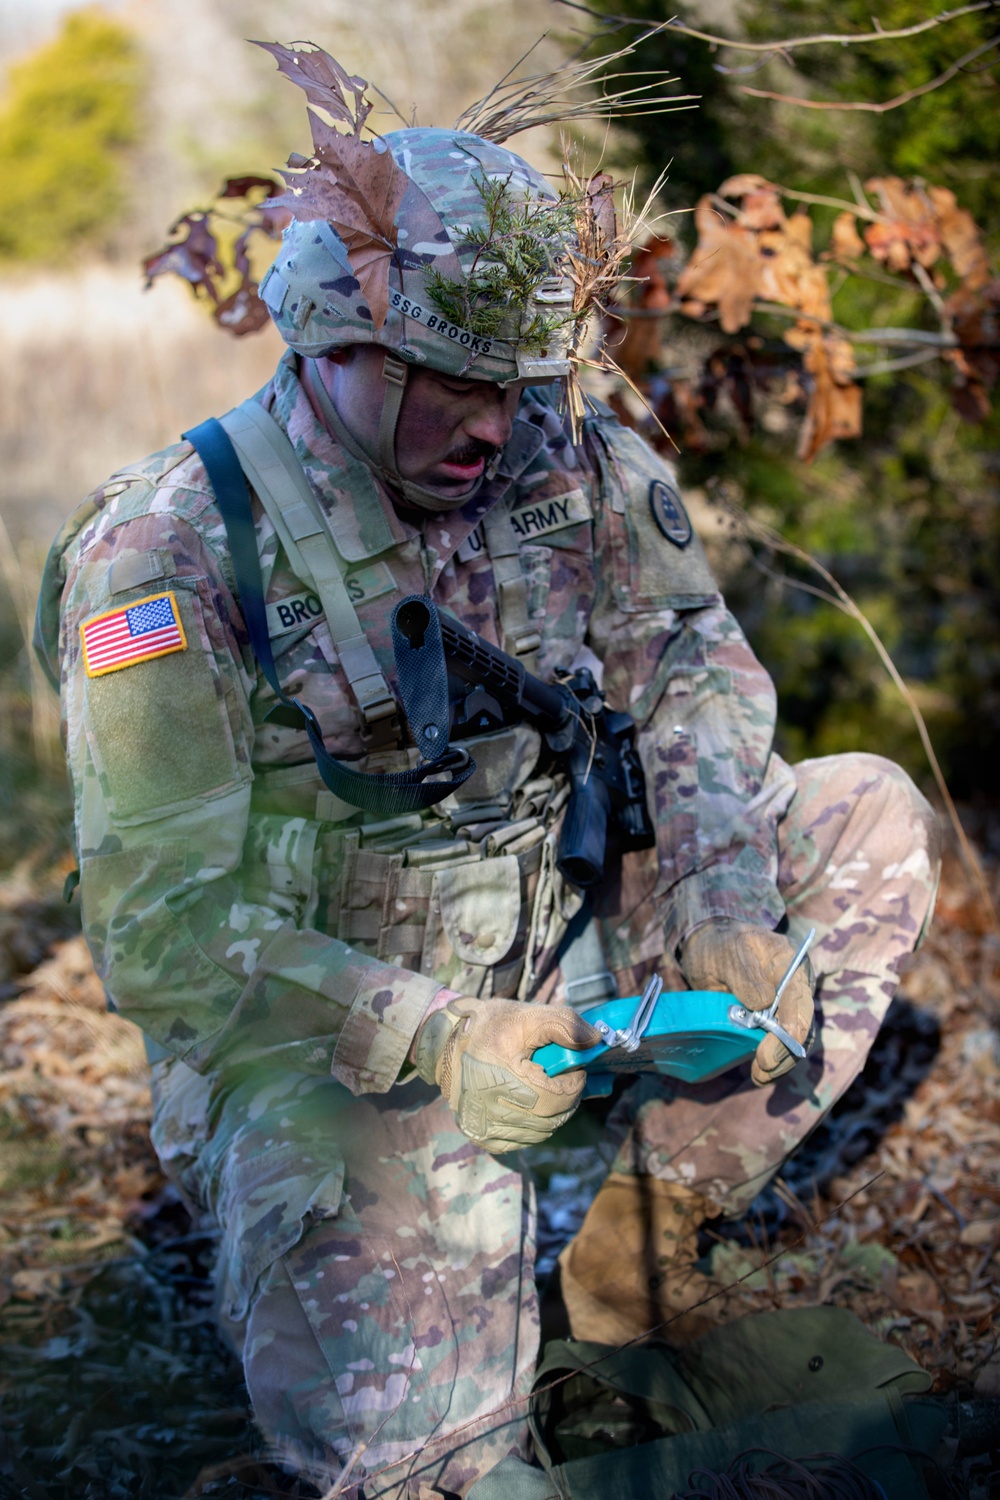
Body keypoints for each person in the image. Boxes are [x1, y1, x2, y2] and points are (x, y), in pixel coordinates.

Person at [36, 61, 940, 1500]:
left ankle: (633, 1231)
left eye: (516, 383)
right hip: (340, 1052)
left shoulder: (558, 453)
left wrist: (724, 898)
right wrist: (437, 1035)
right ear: (336, 341)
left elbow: (692, 673)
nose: (491, 424)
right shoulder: (172, 555)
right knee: (460, 1474)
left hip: (560, 955)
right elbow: (164, 932)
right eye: (453, 384)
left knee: (866, 822)